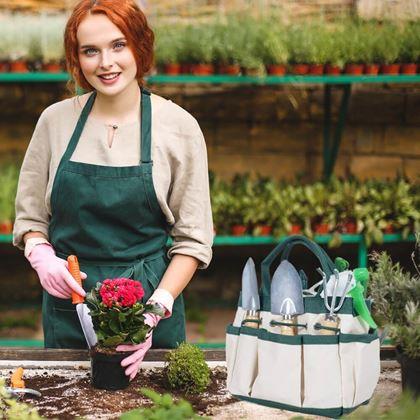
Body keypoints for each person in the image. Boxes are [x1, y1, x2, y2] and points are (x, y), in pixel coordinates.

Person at [13, 0, 213, 380]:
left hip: (152, 305)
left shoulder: (179, 127)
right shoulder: (55, 122)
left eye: (118, 45)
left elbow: (193, 241)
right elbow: (30, 218)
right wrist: (41, 255)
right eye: (91, 50)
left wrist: (154, 312)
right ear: (77, 58)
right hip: (71, 304)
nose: (106, 62)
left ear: (140, 46)